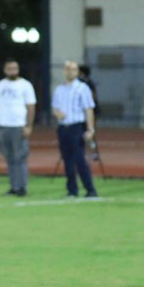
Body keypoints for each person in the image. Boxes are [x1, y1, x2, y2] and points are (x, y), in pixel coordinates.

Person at [51, 60, 98, 199]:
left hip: (76, 127)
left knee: (79, 159)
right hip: (63, 128)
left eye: (73, 69)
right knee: (67, 160)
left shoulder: (82, 88)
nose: (70, 71)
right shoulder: (59, 89)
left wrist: (90, 129)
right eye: (67, 69)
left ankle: (90, 190)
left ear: (77, 72)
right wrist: (57, 113)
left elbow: (89, 109)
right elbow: (55, 108)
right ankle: (72, 190)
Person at [0, 58, 36, 196]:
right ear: (5, 70)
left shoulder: (25, 85)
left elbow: (31, 106)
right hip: (4, 126)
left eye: (14, 68)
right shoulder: (0, 85)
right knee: (9, 157)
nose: (12, 71)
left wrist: (29, 125)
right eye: (9, 68)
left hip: (19, 125)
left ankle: (22, 187)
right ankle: (14, 186)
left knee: (20, 157)